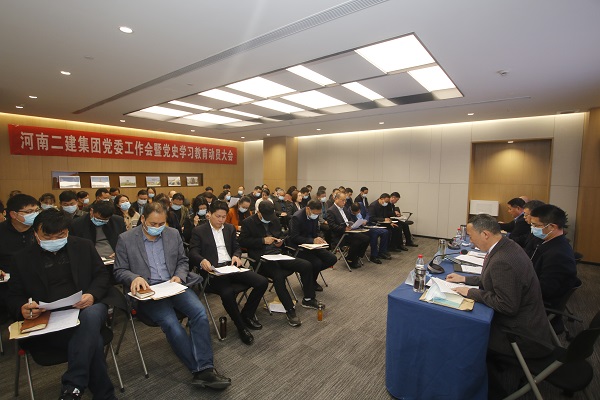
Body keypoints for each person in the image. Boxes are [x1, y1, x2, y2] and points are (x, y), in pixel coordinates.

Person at [114, 202, 231, 389]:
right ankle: (201, 370)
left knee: (199, 313)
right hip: (149, 291)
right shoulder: (126, 239)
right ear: (143, 219)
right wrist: (134, 277)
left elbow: (183, 261)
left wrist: (179, 276)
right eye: (153, 224)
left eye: (161, 224)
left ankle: (204, 368)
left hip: (172, 285)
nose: (158, 228)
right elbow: (119, 270)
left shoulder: (172, 234)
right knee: (170, 323)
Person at [6, 208, 116, 400]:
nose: (54, 240)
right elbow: (13, 296)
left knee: (91, 315)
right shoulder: (21, 259)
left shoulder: (83, 246)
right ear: (35, 234)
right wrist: (22, 307)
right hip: (51, 319)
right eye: (47, 237)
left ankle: (73, 384)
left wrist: (91, 295)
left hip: (87, 306)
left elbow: (101, 275)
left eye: (60, 235)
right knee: (94, 342)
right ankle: (103, 395)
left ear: (67, 232)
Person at [446, 214, 553, 357]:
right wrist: (464, 279)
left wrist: (471, 292)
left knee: (459, 332)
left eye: (471, 236)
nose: (470, 241)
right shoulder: (506, 245)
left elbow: (506, 305)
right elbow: (492, 278)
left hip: (519, 336)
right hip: (528, 323)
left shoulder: (503, 261)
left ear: (485, 234)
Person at [188, 201, 268, 345]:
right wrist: (202, 260)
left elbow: (236, 247)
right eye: (218, 216)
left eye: (224, 217)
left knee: (262, 282)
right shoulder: (199, 231)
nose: (221, 220)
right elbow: (193, 252)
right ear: (209, 214)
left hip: (231, 266)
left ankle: (247, 314)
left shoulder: (229, 228)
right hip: (214, 271)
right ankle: (241, 327)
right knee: (227, 293)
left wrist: (236, 255)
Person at [239, 202, 321, 327]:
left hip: (277, 255)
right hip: (262, 259)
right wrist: (262, 240)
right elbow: (242, 242)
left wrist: (281, 242)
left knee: (306, 265)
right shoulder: (248, 222)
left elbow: (281, 235)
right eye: (266, 217)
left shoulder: (274, 219)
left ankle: (309, 299)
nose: (269, 219)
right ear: (259, 213)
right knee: (279, 276)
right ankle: (290, 310)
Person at [529, 205, 581, 309]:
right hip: (533, 286)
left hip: (539, 303)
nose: (532, 228)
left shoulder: (558, 254)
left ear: (552, 227)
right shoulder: (548, 241)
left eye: (536, 225)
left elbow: (544, 290)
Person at [0, 194, 39, 324]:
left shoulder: (41, 229)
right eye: (29, 212)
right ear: (13, 214)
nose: (34, 214)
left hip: (37, 281)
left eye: (36, 210)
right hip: (7, 285)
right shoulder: (2, 231)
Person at [289, 200, 337, 291]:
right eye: (315, 213)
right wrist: (312, 240)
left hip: (312, 246)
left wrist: (319, 238)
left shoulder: (314, 215)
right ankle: (311, 281)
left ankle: (309, 277)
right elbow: (294, 237)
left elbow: (315, 231)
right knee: (316, 263)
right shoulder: (297, 217)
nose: (316, 216)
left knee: (332, 258)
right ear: (308, 209)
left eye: (318, 214)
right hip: (299, 247)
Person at [326, 192, 370, 269]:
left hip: (349, 231)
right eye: (342, 200)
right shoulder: (331, 210)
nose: (344, 202)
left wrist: (353, 225)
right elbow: (332, 226)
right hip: (340, 234)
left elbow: (349, 219)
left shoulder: (344, 208)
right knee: (357, 241)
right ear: (336, 199)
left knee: (366, 238)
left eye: (345, 200)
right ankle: (351, 259)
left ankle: (356, 256)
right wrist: (344, 229)